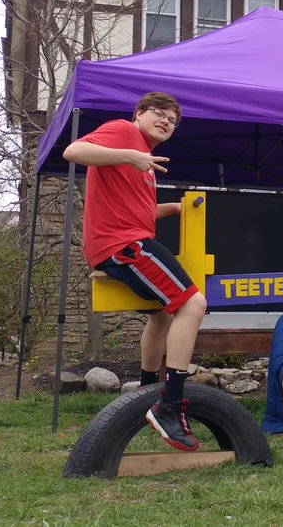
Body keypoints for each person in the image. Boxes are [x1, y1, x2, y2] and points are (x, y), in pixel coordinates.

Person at [63, 92, 207, 452]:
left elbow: (132, 208)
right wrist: (130, 155)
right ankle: (169, 406)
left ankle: (145, 392)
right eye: (159, 114)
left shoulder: (143, 164)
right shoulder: (124, 132)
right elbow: (74, 152)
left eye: (173, 121)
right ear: (139, 113)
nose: (166, 122)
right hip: (125, 245)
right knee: (193, 305)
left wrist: (169, 208)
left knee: (160, 315)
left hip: (123, 239)